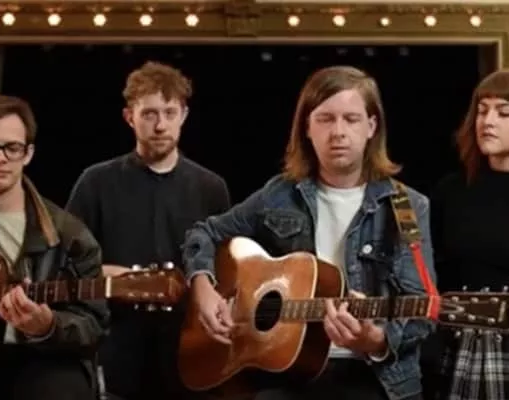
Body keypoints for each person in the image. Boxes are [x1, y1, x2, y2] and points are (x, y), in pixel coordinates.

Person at [182, 65, 436, 400]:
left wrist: (375, 340)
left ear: (372, 127)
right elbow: (204, 234)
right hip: (287, 373)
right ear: (307, 128)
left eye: (351, 119)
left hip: (376, 378)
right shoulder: (279, 194)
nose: (338, 132)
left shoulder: (407, 206)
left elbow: (425, 308)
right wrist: (203, 288)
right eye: (325, 119)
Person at [66, 61, 231, 400]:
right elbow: (66, 265)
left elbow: (226, 270)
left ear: (184, 115)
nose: (160, 125)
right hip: (115, 345)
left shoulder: (211, 188)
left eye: (170, 113)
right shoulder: (96, 182)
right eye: (149, 114)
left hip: (190, 347)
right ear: (129, 117)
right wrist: (113, 278)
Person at [0, 95, 110, 400]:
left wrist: (49, 325)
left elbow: (94, 324)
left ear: (28, 154)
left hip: (43, 357)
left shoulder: (69, 235)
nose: (0, 158)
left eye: (12, 148)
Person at [424, 69, 509, 400]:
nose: (487, 121)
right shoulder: (452, 190)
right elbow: (432, 272)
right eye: (482, 111)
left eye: (503, 113)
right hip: (461, 345)